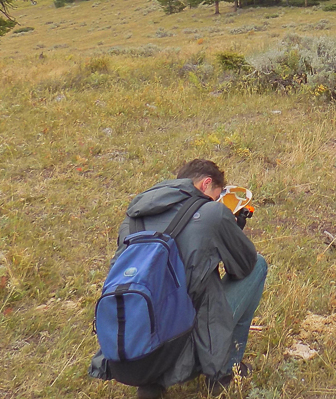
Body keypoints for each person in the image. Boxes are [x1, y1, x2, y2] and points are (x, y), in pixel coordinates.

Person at [91, 159, 268, 398]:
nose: (215, 201)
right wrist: (232, 232)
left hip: (130, 348)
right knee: (258, 266)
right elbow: (243, 267)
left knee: (163, 298)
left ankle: (153, 382)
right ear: (206, 184)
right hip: (182, 341)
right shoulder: (211, 213)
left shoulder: (134, 216)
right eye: (216, 195)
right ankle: (226, 370)